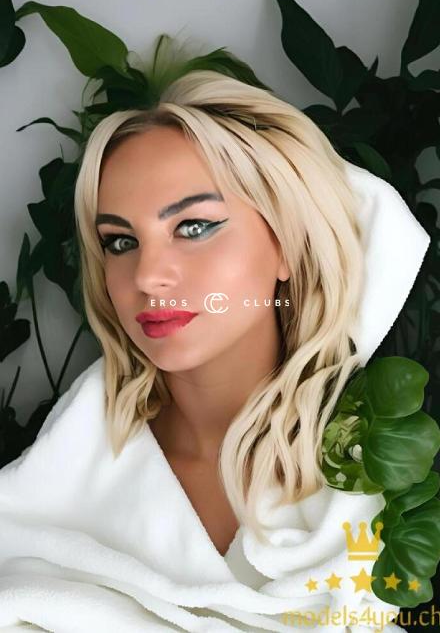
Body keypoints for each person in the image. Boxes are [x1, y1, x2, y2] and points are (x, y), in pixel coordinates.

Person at [0, 70, 429, 631]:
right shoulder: (51, 493)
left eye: (194, 227)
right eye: (120, 242)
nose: (148, 276)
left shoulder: (381, 478)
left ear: (287, 244)